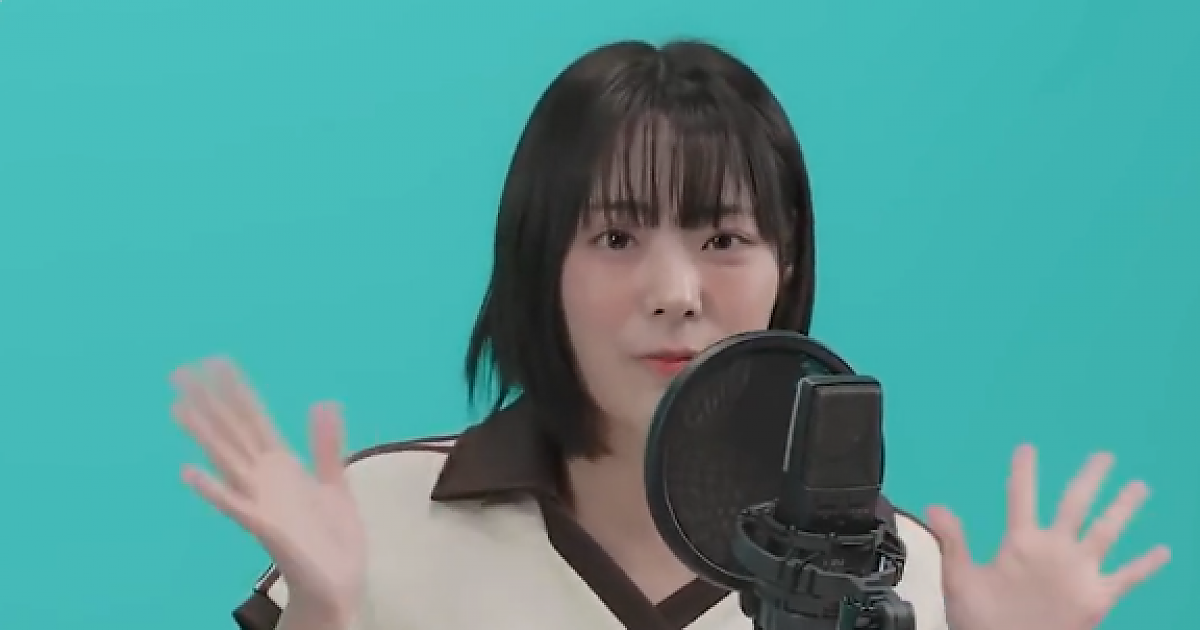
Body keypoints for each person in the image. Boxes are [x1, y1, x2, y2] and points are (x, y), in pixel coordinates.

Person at [171, 39, 1171, 630]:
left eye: (723, 239)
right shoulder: (376, 518)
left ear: (787, 266)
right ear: (540, 263)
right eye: (615, 237)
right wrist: (328, 617)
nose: (676, 293)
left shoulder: (896, 576)